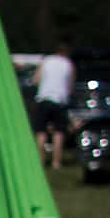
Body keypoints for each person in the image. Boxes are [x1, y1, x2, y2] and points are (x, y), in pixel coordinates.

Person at [33, 42, 75, 171]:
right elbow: (70, 87)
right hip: (60, 101)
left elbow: (36, 80)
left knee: (41, 132)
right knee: (59, 133)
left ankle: (40, 161)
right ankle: (56, 163)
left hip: (44, 99)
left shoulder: (46, 61)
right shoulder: (69, 64)